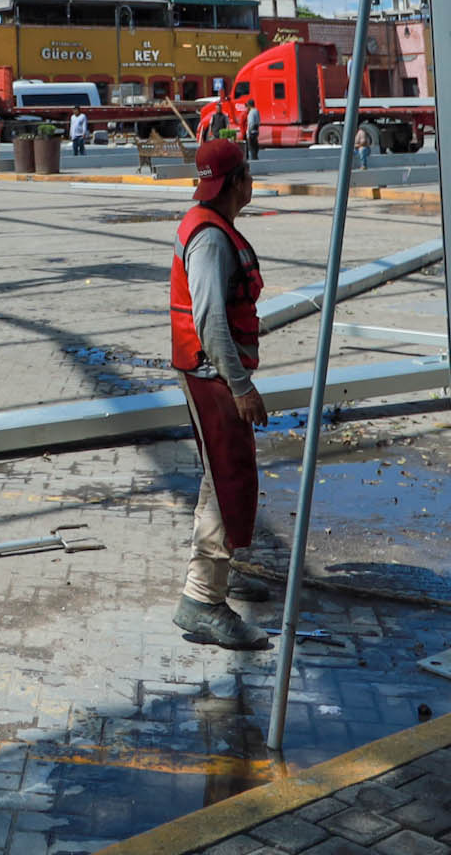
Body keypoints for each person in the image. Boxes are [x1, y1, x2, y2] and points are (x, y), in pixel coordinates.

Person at [169, 137, 274, 649]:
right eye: (247, 174)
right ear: (237, 182)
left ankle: (218, 575)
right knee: (227, 482)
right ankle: (202, 602)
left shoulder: (208, 225)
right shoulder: (210, 239)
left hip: (208, 373)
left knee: (220, 478)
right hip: (213, 377)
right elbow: (211, 320)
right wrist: (242, 387)